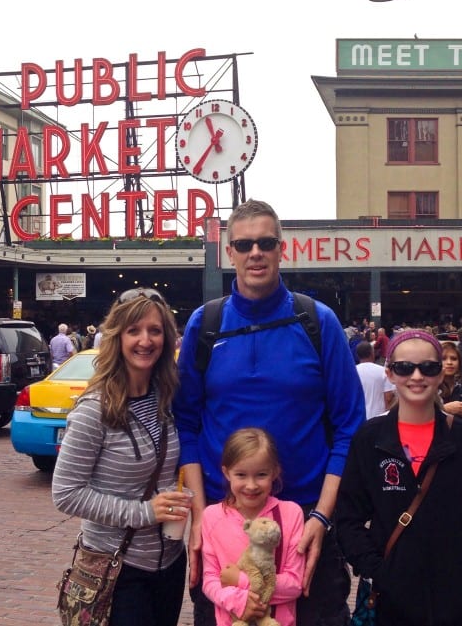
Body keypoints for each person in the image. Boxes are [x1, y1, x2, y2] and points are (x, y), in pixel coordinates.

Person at [173, 199, 366, 626]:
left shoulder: (318, 322)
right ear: (230, 252)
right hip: (224, 527)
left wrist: (321, 516)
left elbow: (350, 425)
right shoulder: (205, 324)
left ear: (282, 248)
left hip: (304, 523)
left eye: (265, 242)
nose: (255, 252)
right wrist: (200, 518)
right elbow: (185, 423)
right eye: (244, 244)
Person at [336, 330, 462, 626]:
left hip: (453, 599)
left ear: (441, 373)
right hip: (390, 598)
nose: (417, 376)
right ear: (390, 372)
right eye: (404, 367)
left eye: (428, 367)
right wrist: (377, 570)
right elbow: (349, 518)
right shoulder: (370, 438)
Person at [52, 288, 191, 626]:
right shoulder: (95, 408)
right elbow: (66, 493)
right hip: (118, 569)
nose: (145, 340)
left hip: (171, 564)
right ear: (117, 337)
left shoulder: (169, 398)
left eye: (155, 330)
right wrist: (144, 512)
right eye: (134, 330)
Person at [201, 427, 305, 626]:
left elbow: (294, 583)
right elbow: (210, 580)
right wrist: (238, 601)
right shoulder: (212, 517)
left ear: (275, 472)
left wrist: (240, 581)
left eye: (261, 475)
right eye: (241, 475)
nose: (251, 485)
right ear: (226, 472)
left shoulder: (291, 514)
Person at [355, 341, 395, 419]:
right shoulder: (383, 371)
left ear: (357, 355)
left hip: (358, 418)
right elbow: (388, 397)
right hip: (378, 416)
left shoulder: (351, 372)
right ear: (372, 353)